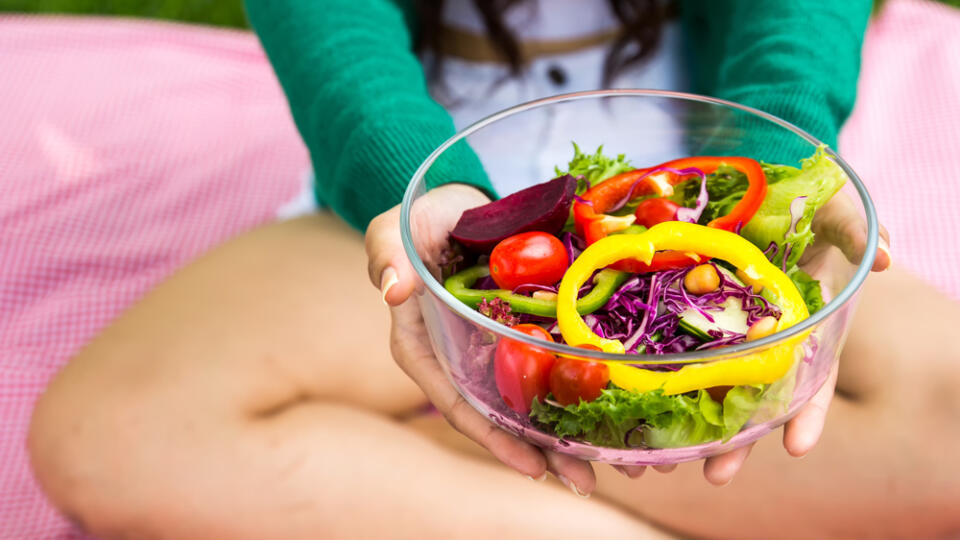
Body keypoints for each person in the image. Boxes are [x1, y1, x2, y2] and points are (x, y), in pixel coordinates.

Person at [26, 1, 960, 538]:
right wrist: (403, 175)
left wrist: (776, 145)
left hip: (705, 155)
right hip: (423, 162)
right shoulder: (414, 181)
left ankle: (413, 448)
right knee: (109, 428)